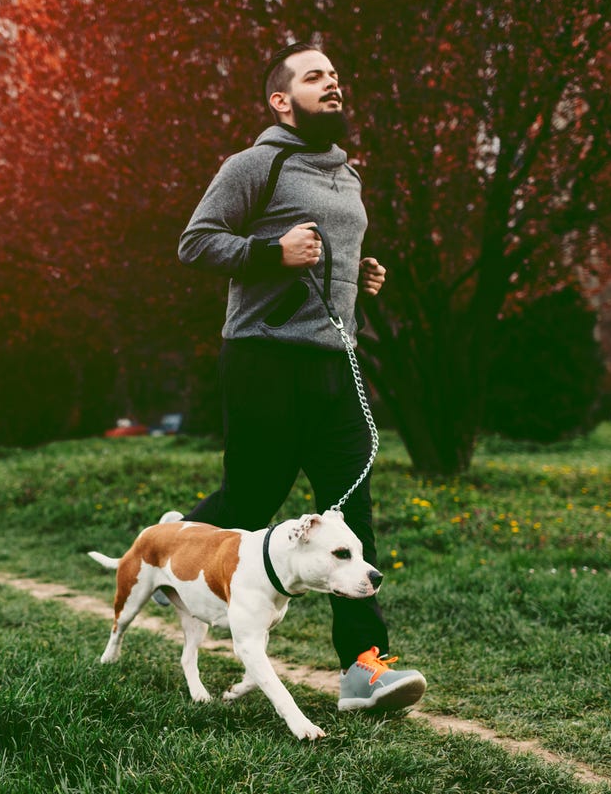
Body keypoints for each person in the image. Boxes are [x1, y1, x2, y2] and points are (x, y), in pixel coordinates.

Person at [174, 42, 425, 713]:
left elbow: (325, 270)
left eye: (336, 77)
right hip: (263, 359)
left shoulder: (348, 175)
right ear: (282, 101)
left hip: (333, 364)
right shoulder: (257, 164)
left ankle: (367, 674)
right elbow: (196, 241)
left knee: (354, 523)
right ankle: (167, 554)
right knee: (251, 502)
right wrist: (271, 251)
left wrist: (359, 283)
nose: (332, 85)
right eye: (315, 78)